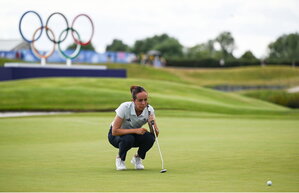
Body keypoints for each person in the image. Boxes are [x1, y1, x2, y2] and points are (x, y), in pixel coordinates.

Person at [108, 86, 159, 170]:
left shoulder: (149, 110)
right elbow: (114, 131)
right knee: (128, 138)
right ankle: (120, 158)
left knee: (150, 138)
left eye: (145, 100)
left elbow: (155, 134)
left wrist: (152, 124)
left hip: (134, 135)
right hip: (116, 136)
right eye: (140, 100)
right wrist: (136, 130)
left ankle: (137, 158)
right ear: (133, 100)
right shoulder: (124, 107)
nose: (143, 103)